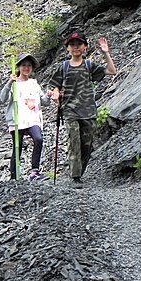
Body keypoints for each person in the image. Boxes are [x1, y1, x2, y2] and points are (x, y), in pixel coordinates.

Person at [48, 32, 116, 188]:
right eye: (72, 44)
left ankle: (80, 172)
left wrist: (106, 53)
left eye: (79, 44)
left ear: (85, 47)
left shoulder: (89, 65)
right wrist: (56, 94)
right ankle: (75, 176)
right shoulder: (63, 67)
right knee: (74, 142)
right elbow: (54, 85)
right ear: (68, 48)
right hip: (70, 110)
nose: (76, 47)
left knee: (87, 145)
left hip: (88, 111)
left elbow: (112, 71)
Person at [0, 53, 51, 181]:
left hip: (32, 118)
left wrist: (48, 96)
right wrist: (9, 82)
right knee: (18, 146)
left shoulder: (34, 83)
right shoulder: (14, 83)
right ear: (19, 67)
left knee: (38, 139)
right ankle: (14, 176)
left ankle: (34, 172)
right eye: (23, 65)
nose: (26, 68)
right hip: (17, 120)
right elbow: (2, 98)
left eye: (29, 66)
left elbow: (44, 102)